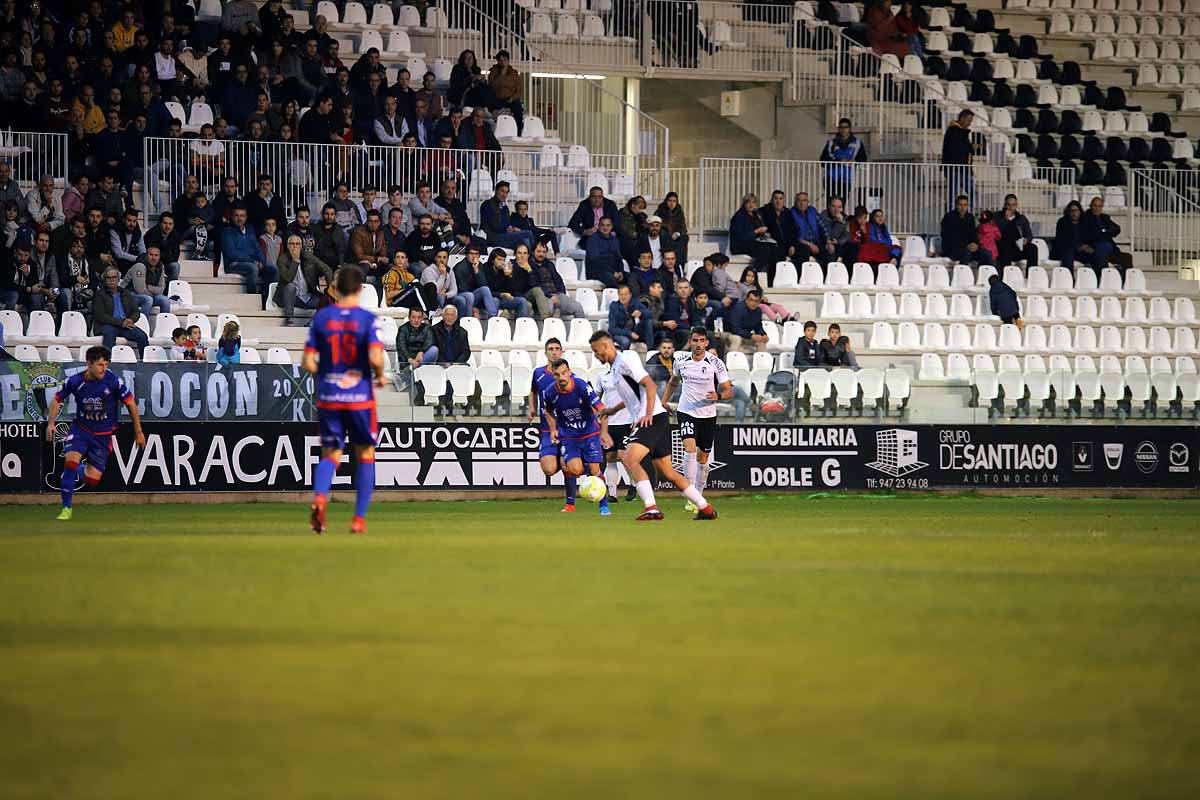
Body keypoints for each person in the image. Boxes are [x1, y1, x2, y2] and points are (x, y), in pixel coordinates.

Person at [589, 329, 718, 521]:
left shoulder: (625, 362)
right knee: (668, 472)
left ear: (605, 345)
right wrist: (612, 410)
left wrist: (647, 414)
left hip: (651, 418)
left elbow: (650, 385)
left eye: (596, 350)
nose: (596, 355)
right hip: (654, 417)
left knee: (630, 460)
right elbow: (632, 396)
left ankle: (651, 507)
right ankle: (705, 507)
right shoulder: (615, 369)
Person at [303, 267, 386, 535]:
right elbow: (374, 358)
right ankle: (358, 519)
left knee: (332, 453)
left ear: (336, 289)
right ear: (361, 289)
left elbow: (307, 362)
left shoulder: (322, 318)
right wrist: (381, 374)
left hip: (329, 396)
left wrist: (330, 374)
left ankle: (319, 498)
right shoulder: (368, 319)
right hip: (360, 397)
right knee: (365, 454)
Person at [45, 345, 146, 521]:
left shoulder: (113, 381)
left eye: (106, 364)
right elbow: (57, 400)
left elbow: (131, 404)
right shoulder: (75, 381)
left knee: (92, 479)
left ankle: (80, 467)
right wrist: (51, 423)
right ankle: (66, 509)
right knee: (70, 463)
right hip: (81, 429)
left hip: (103, 434)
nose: (104, 368)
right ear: (89, 364)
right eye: (100, 365)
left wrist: (139, 432)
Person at [663, 327, 733, 511]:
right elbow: (674, 381)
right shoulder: (680, 360)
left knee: (703, 458)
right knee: (690, 448)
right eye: (695, 340)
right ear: (690, 341)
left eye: (702, 341)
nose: (698, 344)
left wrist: (718, 396)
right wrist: (664, 401)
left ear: (707, 342)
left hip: (708, 415)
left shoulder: (715, 363)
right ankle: (690, 495)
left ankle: (698, 494)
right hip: (686, 411)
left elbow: (728, 391)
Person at [540, 358, 612, 516]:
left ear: (569, 372)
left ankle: (604, 505)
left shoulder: (581, 386)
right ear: (553, 375)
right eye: (557, 374)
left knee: (595, 470)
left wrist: (604, 432)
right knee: (575, 469)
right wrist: (553, 429)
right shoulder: (550, 392)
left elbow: (601, 409)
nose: (562, 377)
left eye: (564, 373)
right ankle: (588, 471)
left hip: (589, 433)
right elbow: (548, 412)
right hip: (569, 436)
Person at [528, 338, 580, 513]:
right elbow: (533, 390)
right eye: (550, 349)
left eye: (557, 349)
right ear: (545, 352)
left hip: (567, 430)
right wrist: (532, 408)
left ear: (561, 352)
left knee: (567, 466)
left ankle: (570, 503)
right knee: (549, 470)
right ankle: (568, 462)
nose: (554, 352)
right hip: (546, 429)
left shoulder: (570, 377)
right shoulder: (538, 373)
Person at [220, 205, 276, 306]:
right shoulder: (227, 232)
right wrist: (253, 261)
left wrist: (262, 262)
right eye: (236, 215)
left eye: (242, 216)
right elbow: (231, 253)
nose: (239, 218)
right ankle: (252, 299)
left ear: (246, 217)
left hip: (253, 262)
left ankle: (265, 297)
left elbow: (257, 248)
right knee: (253, 268)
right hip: (234, 264)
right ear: (232, 217)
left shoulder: (249, 230)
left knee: (272, 268)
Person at [276, 234, 334, 325]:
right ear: (287, 246)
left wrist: (330, 288)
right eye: (292, 244)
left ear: (301, 246)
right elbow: (288, 279)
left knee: (328, 299)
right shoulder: (282, 260)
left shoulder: (308, 257)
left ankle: (311, 323)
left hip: (307, 297)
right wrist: (295, 261)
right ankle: (289, 320)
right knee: (290, 286)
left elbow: (327, 270)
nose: (295, 246)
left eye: (297, 244)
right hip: (291, 298)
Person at [729, 193, 785, 286]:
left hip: (754, 242)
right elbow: (740, 236)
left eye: (753, 202)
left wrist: (764, 234)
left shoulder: (756, 215)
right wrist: (756, 231)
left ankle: (770, 281)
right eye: (748, 202)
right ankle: (751, 276)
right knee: (764, 249)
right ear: (744, 204)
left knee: (776, 250)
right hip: (740, 245)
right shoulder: (739, 216)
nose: (751, 205)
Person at [92, 267, 149, 355]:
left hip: (125, 325)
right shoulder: (99, 294)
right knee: (109, 336)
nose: (111, 280)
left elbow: (135, 311)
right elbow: (100, 316)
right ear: (104, 279)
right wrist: (121, 322)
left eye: (114, 277)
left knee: (142, 336)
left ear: (118, 279)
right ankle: (107, 364)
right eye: (108, 278)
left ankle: (145, 364)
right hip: (108, 324)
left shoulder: (125, 293)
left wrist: (131, 320)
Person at [528, 241, 584, 320]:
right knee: (549, 309)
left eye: (544, 252)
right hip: (543, 297)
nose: (541, 254)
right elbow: (534, 284)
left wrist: (561, 293)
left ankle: (580, 331)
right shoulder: (529, 265)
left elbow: (558, 280)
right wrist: (550, 296)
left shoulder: (549, 264)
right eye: (539, 251)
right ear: (533, 252)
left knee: (578, 307)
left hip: (557, 294)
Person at [820, 119, 869, 205]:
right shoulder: (831, 143)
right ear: (838, 129)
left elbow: (862, 159)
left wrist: (853, 162)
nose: (843, 129)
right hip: (831, 178)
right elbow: (823, 161)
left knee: (842, 203)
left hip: (846, 178)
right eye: (841, 127)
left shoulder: (857, 143)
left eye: (845, 127)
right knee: (830, 203)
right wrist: (839, 161)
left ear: (850, 128)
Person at [1081, 196, 1131, 275]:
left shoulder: (1105, 217)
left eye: (1100, 206)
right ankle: (1103, 281)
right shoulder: (1085, 217)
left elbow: (1116, 229)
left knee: (1127, 257)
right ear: (1091, 206)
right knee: (1101, 258)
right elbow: (1093, 234)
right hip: (1095, 250)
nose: (1097, 208)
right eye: (1095, 206)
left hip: (1110, 250)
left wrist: (1104, 231)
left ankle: (1126, 281)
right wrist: (1105, 232)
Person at [480, 181, 535, 251]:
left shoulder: (504, 207)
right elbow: (493, 225)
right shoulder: (487, 204)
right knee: (528, 233)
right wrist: (506, 228)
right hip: (493, 237)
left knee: (524, 242)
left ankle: (527, 260)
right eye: (502, 191)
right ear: (496, 190)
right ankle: (534, 255)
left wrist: (511, 229)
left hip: (503, 235)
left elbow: (507, 222)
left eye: (506, 192)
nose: (504, 195)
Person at [940, 194, 990, 265]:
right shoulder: (948, 218)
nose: (963, 208)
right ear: (956, 205)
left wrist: (975, 244)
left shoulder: (970, 217)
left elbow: (973, 234)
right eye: (960, 205)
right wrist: (966, 245)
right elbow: (949, 237)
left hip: (968, 248)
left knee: (987, 254)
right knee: (966, 253)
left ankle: (983, 274)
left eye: (965, 205)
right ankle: (962, 274)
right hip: (952, 250)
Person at [452, 244, 500, 318]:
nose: (474, 256)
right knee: (469, 295)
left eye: (476, 254)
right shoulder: (459, 267)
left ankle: (492, 318)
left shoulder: (479, 265)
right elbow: (462, 289)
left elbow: (483, 284)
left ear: (479, 256)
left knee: (494, 299)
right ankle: (468, 319)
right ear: (466, 255)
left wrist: (477, 271)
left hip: (474, 296)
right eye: (471, 253)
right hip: (462, 296)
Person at [483, 248, 532, 318]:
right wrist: (501, 294)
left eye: (503, 260)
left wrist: (510, 276)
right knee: (495, 300)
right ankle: (492, 324)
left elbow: (511, 290)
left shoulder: (503, 271)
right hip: (490, 299)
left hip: (503, 299)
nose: (502, 262)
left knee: (522, 301)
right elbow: (486, 290)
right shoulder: (485, 268)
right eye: (499, 259)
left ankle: (520, 325)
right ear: (492, 260)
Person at [123, 244, 171, 316]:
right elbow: (140, 290)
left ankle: (165, 324)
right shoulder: (139, 266)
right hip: (128, 294)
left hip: (147, 295)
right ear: (146, 256)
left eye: (156, 255)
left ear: (159, 257)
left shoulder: (160, 267)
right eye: (151, 255)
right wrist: (154, 291)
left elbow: (161, 289)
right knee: (148, 300)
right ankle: (143, 324)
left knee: (165, 300)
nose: (153, 258)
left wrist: (149, 287)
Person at [395, 306, 438, 384]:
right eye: (413, 317)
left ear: (422, 318)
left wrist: (421, 352)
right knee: (409, 362)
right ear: (409, 317)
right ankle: (412, 371)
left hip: (421, 359)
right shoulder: (403, 329)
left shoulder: (427, 328)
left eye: (419, 317)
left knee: (434, 350)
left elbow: (430, 340)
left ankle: (414, 371)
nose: (416, 320)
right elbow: (401, 346)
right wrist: (410, 359)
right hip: (408, 361)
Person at [995, 194, 1038, 269]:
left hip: (1018, 246)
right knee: (1004, 248)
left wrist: (1026, 240)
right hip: (1003, 246)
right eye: (1009, 205)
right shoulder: (997, 217)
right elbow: (996, 232)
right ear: (1005, 205)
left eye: (1013, 205)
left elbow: (1029, 234)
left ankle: (1031, 274)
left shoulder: (1021, 218)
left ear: (1016, 205)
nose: (1011, 207)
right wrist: (1006, 219)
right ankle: (1006, 275)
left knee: (1033, 248)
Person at [942, 109, 975, 208]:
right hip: (955, 168)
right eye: (969, 121)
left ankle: (970, 213)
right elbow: (961, 148)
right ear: (962, 118)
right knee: (954, 194)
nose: (969, 124)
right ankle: (950, 214)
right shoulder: (953, 131)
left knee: (973, 191)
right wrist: (971, 147)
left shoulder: (960, 132)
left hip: (963, 169)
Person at [349, 209, 390, 286]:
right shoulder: (358, 232)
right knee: (365, 266)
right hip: (358, 263)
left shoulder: (381, 233)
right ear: (367, 221)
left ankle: (387, 294)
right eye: (370, 221)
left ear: (379, 223)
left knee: (390, 267)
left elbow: (383, 254)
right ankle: (360, 293)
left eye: (375, 221)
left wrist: (376, 262)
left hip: (374, 263)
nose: (373, 224)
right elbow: (359, 256)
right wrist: (377, 259)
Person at [487, 50, 524, 135]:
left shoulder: (514, 74)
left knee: (517, 108)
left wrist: (512, 97)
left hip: (510, 98)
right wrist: (501, 74)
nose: (503, 62)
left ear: (508, 61)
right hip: (497, 98)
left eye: (505, 59)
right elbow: (491, 85)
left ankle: (518, 130)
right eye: (500, 60)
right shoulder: (493, 71)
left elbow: (519, 90)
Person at [584, 217, 627, 288]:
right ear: (598, 226)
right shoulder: (592, 239)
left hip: (613, 271)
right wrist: (613, 272)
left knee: (632, 277)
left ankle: (637, 298)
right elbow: (595, 260)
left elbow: (618, 258)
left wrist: (620, 271)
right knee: (610, 279)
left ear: (612, 227)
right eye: (603, 225)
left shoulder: (614, 240)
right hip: (597, 271)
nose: (605, 227)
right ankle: (620, 297)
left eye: (608, 225)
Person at [607, 283, 652, 351]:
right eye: (621, 295)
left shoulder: (635, 302)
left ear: (630, 295)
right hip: (621, 333)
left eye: (625, 294)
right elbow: (612, 329)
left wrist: (641, 313)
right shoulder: (614, 306)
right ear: (618, 295)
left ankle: (650, 349)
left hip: (635, 331)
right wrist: (629, 333)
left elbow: (649, 313)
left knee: (648, 321)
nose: (623, 297)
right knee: (625, 341)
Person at [789, 192, 825, 266]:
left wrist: (828, 241)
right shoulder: (791, 214)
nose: (802, 203)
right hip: (801, 244)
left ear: (808, 202)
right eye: (799, 200)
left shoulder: (813, 211)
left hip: (816, 242)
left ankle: (826, 274)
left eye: (804, 200)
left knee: (828, 249)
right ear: (795, 202)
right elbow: (794, 235)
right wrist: (809, 244)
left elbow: (823, 227)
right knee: (804, 250)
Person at [818, 196, 856, 266]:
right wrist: (839, 223)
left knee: (853, 246)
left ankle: (849, 273)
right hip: (824, 244)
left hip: (838, 244)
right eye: (833, 206)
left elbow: (848, 235)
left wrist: (839, 241)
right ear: (828, 206)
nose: (836, 210)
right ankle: (832, 273)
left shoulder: (844, 217)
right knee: (831, 247)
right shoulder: (823, 217)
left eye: (839, 207)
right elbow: (831, 237)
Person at [1052, 200, 1087, 271]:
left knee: (1095, 253)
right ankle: (1069, 279)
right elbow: (1062, 240)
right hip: (1065, 249)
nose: (1074, 213)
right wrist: (1077, 247)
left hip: (1081, 251)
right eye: (1071, 211)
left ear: (1080, 211)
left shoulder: (1084, 222)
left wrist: (1086, 247)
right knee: (1068, 253)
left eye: (1076, 210)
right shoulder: (1062, 222)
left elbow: (1088, 238)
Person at [653, 192, 689, 258]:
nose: (672, 203)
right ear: (666, 201)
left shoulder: (679, 212)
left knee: (684, 238)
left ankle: (679, 262)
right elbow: (655, 224)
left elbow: (682, 227)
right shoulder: (660, 210)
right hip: (663, 235)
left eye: (674, 201)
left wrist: (677, 233)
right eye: (669, 201)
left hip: (675, 237)